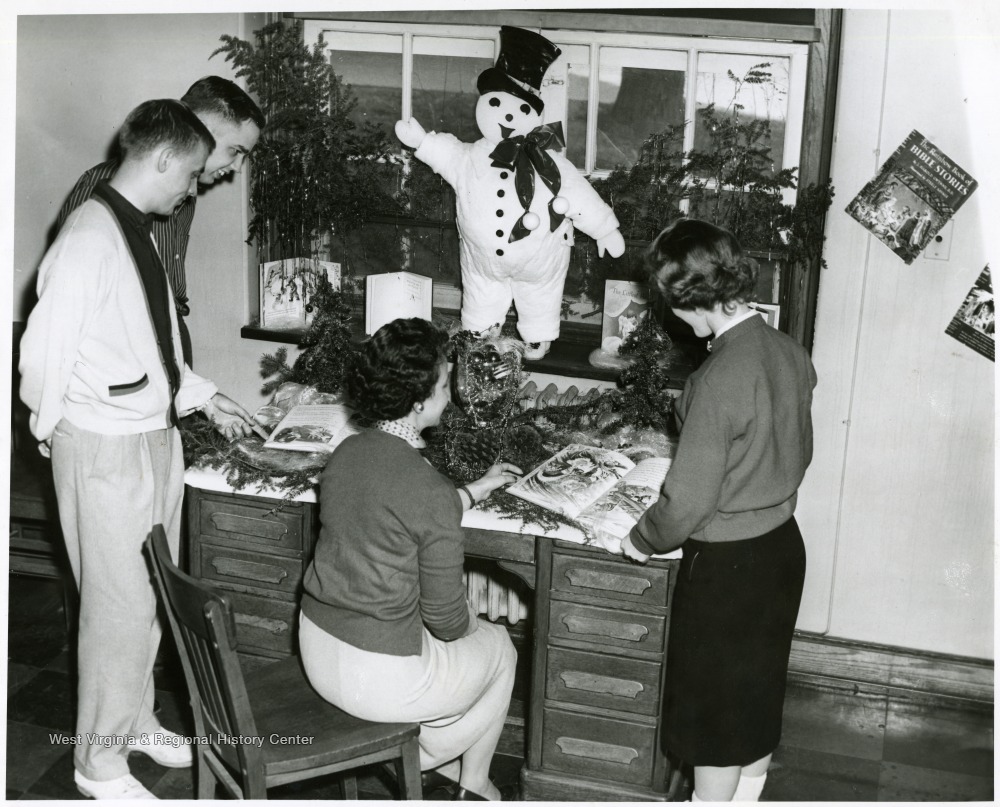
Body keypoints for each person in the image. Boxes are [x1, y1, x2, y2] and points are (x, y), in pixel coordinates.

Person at [19, 99, 261, 800]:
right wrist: (57, 430)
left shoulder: (136, 229)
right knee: (116, 605)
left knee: (153, 595)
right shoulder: (89, 236)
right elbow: (42, 356)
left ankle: (134, 720)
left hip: (152, 438)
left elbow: (151, 339)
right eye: (190, 173)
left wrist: (199, 394)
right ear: (160, 160)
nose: (193, 187)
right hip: (104, 447)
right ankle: (97, 762)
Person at [620, 219, 817, 802]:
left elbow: (686, 502)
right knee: (752, 702)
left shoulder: (717, 377)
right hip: (782, 549)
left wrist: (642, 538)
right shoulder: (787, 350)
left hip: (728, 568)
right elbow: (797, 449)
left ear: (693, 304)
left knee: (711, 720)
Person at [299, 318, 522, 801]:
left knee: (456, 660)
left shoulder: (346, 454)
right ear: (418, 401)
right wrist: (472, 630)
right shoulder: (428, 490)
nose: (450, 396)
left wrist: (473, 491)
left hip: (318, 652)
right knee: (501, 647)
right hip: (378, 678)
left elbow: (396, 508)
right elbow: (445, 620)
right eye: (444, 385)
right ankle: (471, 782)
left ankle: (421, 739)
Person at [56, 76, 264, 366]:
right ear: (200, 130)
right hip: (123, 354)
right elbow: (69, 315)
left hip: (169, 335)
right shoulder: (105, 185)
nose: (238, 168)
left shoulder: (185, 192)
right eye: (236, 151)